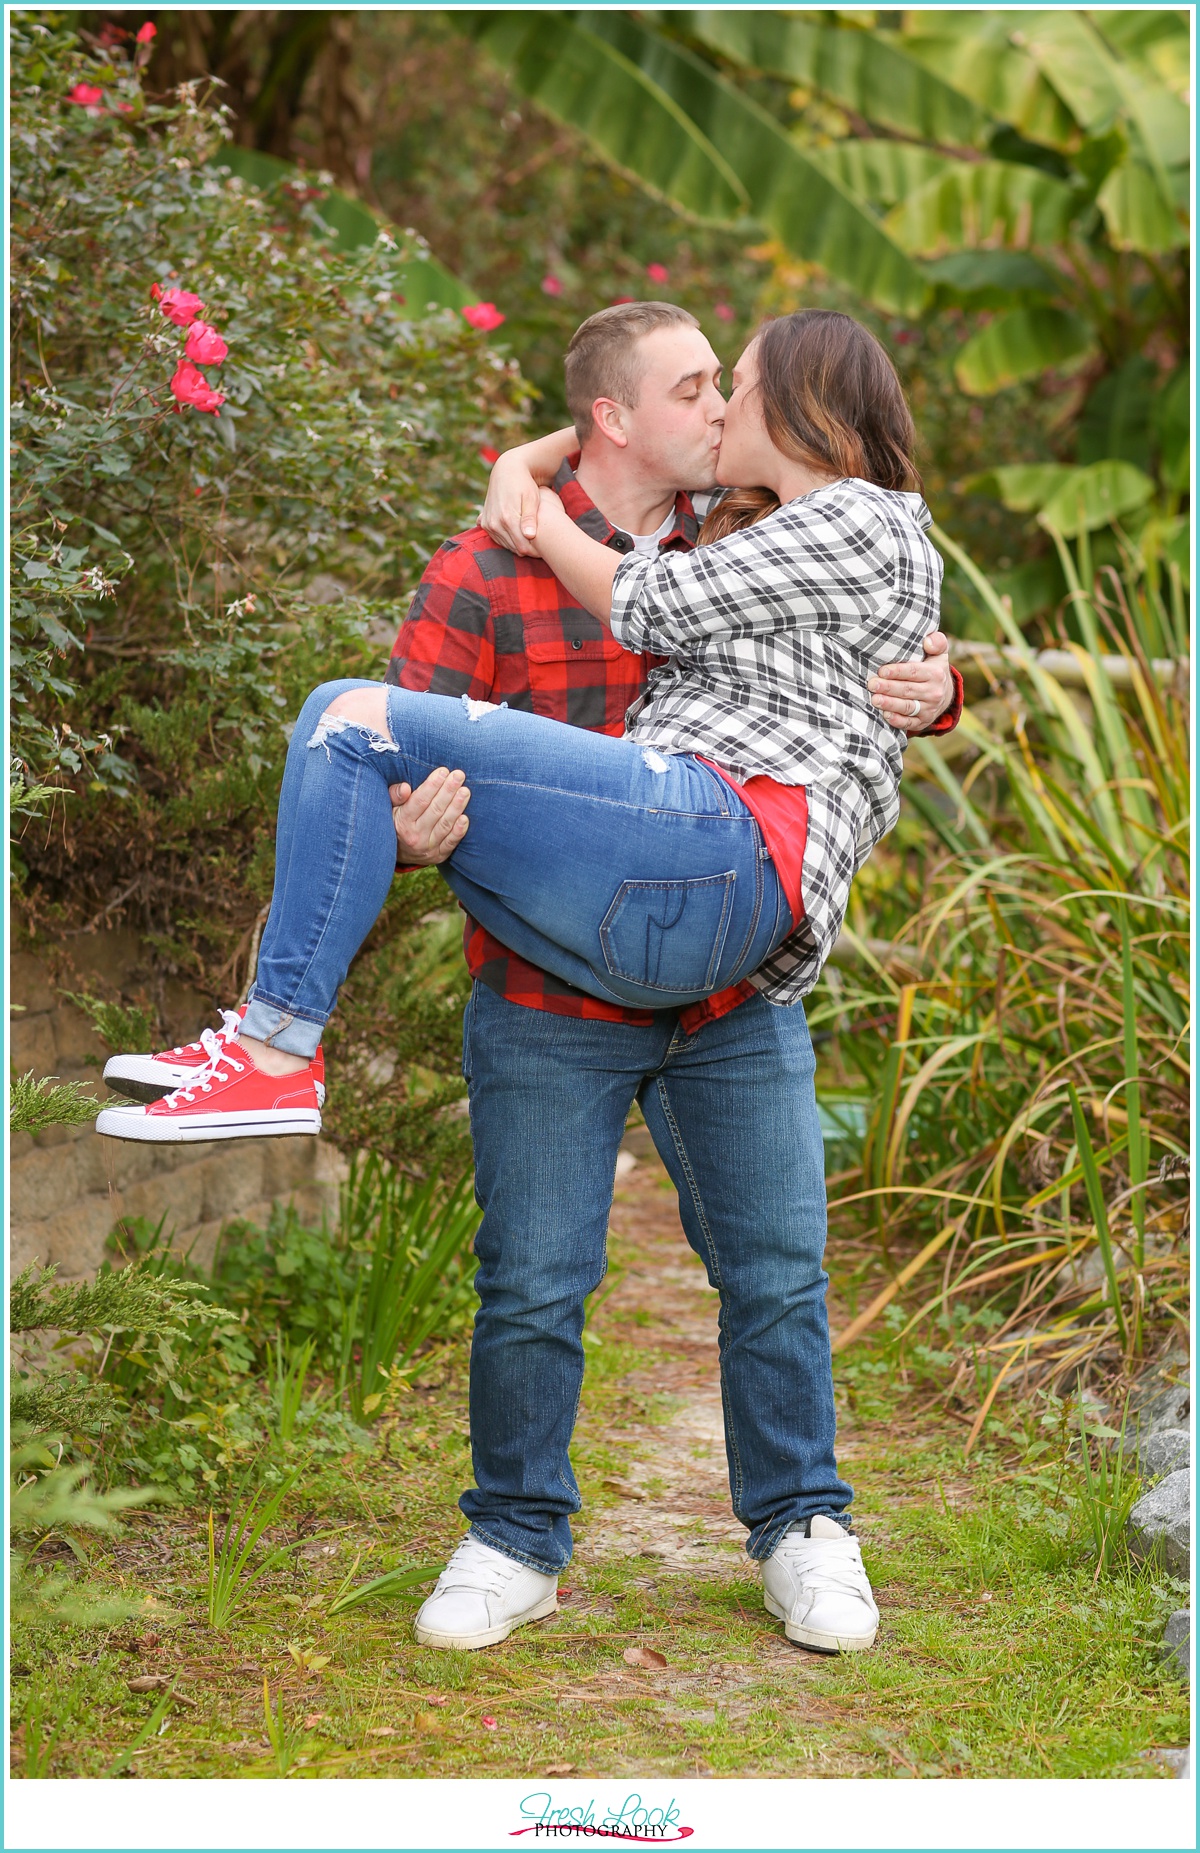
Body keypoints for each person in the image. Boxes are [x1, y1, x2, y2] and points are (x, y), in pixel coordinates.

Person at [98, 304, 961, 1655]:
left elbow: (865, 629)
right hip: (551, 984)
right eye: (697, 390)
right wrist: (408, 835)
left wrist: (938, 684)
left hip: (728, 983)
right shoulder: (479, 577)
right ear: (622, 418)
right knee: (533, 1281)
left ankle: (802, 1521)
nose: (722, 411)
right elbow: (377, 785)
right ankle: (515, 1535)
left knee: (779, 1270)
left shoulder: (745, 533)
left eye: (729, 387)